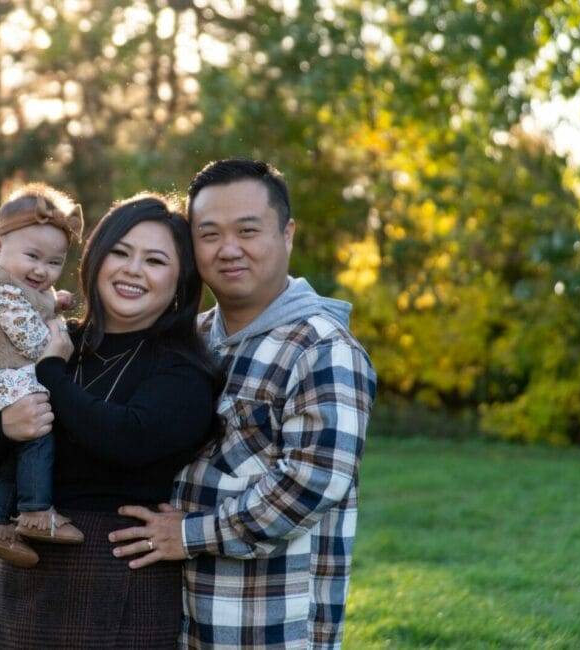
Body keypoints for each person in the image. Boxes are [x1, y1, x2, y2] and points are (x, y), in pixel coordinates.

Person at [109, 159, 378, 649]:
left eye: (248, 231)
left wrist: (188, 535)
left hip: (266, 627)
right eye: (208, 234)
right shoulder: (192, 340)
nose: (228, 249)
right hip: (179, 617)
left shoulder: (321, 348)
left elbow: (311, 485)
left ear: (287, 233)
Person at [0, 194, 218, 648]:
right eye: (120, 252)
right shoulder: (51, 341)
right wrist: (3, 428)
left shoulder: (182, 369)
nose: (132, 270)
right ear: (94, 258)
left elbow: (125, 439)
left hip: (115, 574)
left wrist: (51, 374)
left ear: (180, 279)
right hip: (19, 571)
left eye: (154, 260)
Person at [0, 184, 87, 567]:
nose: (42, 271)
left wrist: (50, 301)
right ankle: (36, 511)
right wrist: (60, 339)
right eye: (32, 257)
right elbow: (31, 339)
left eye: (55, 262)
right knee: (40, 422)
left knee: (16, 447)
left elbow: (29, 303)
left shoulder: (5, 281)